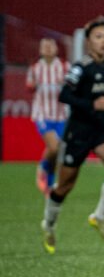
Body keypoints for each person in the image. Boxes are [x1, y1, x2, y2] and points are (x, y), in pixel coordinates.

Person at [40, 17, 104, 254]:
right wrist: (91, 104)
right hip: (78, 132)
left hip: (101, 129)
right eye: (99, 37)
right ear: (89, 42)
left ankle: (99, 216)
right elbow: (64, 95)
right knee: (65, 186)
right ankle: (49, 224)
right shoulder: (80, 67)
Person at [26, 37, 69, 194]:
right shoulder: (35, 68)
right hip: (42, 114)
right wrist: (33, 86)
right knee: (54, 147)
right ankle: (43, 168)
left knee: (55, 152)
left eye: (51, 46)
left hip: (61, 115)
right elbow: (29, 87)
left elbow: (73, 87)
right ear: (40, 50)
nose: (48, 49)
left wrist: (66, 84)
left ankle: (49, 184)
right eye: (45, 46)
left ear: (56, 49)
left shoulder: (65, 67)